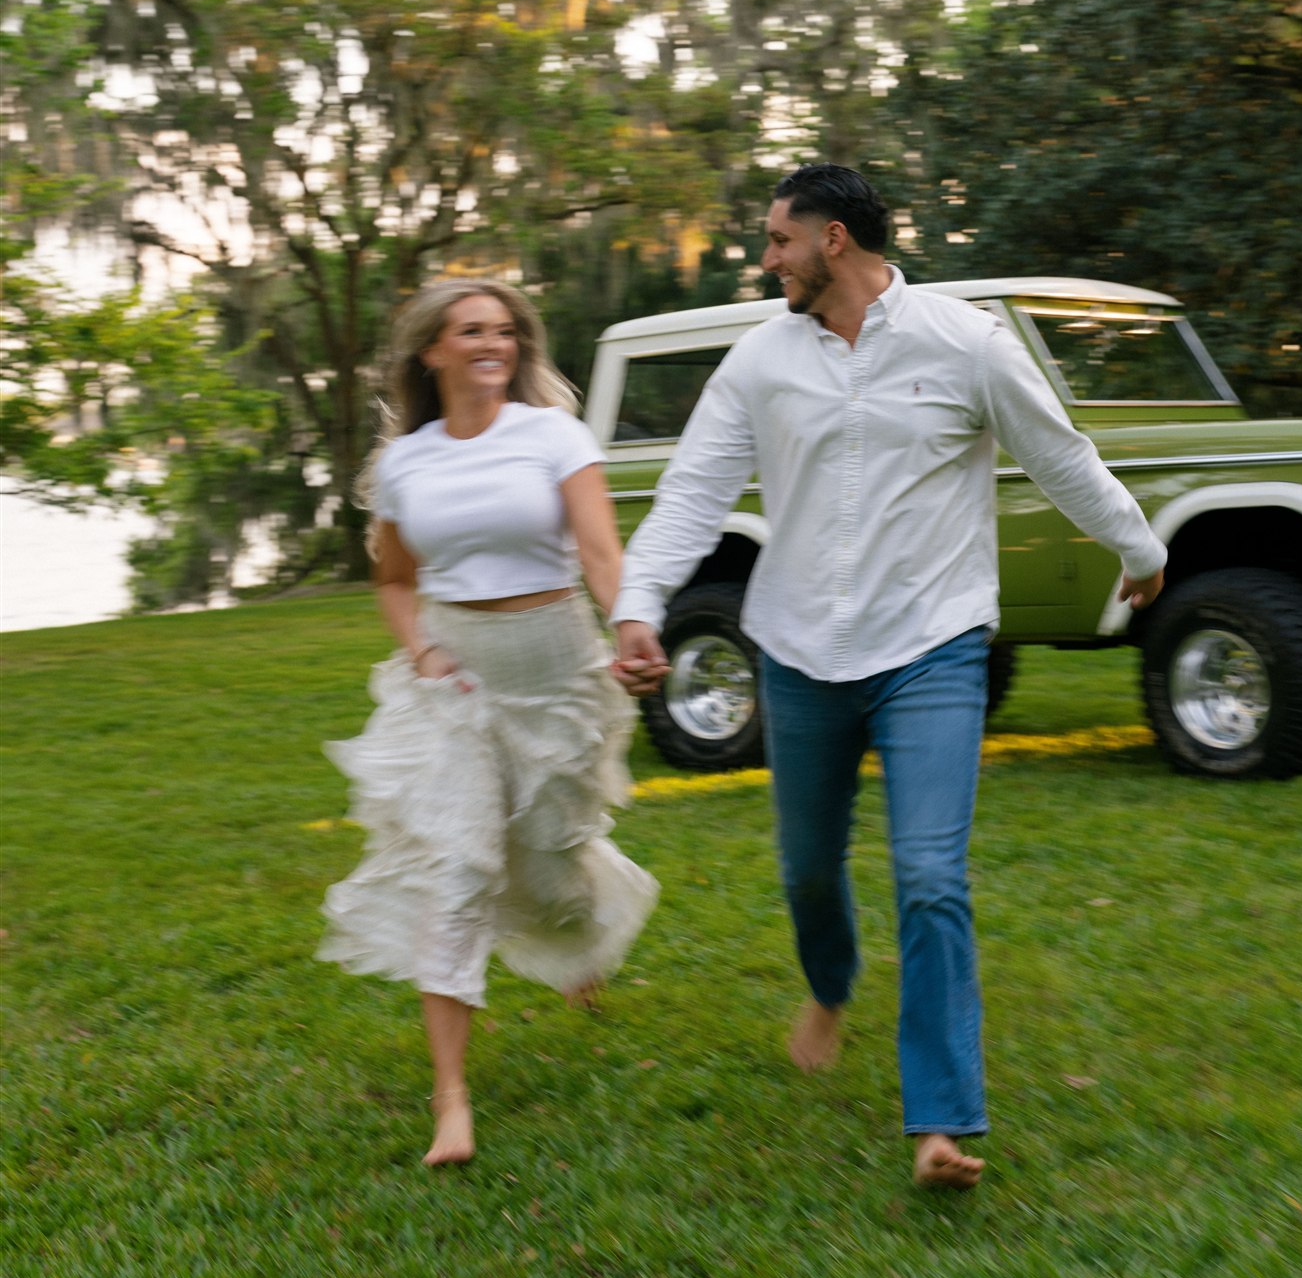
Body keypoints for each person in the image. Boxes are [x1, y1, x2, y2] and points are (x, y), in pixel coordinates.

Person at [612, 165, 1165, 1191]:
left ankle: (942, 1121)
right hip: (800, 649)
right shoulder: (757, 361)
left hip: (933, 644)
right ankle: (830, 983)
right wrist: (638, 602)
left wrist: (1136, 549)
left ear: (830, 239)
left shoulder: (963, 341)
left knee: (928, 875)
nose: (764, 257)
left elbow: (1057, 450)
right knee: (807, 871)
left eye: (776, 240)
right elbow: (692, 492)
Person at [319, 278, 658, 1166]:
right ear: (432, 350)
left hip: (554, 672)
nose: (490, 344)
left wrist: (629, 623)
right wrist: (423, 650)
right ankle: (452, 1103)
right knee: (459, 874)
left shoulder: (552, 436)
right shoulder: (407, 462)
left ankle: (577, 940)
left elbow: (597, 550)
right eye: (470, 331)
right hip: (459, 686)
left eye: (504, 331)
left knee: (550, 871)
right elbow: (393, 578)